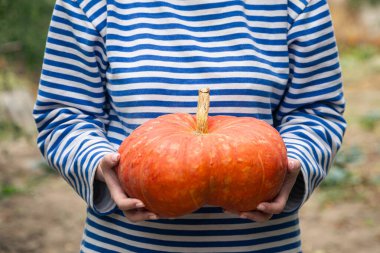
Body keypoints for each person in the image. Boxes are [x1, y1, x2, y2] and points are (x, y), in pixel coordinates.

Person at [33, 0, 346, 252]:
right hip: (126, 243)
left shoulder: (295, 6)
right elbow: (64, 114)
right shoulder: (91, 4)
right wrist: (99, 164)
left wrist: (295, 163)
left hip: (260, 243)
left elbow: (317, 111)